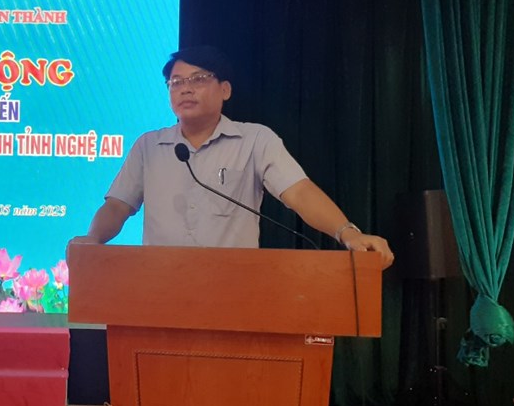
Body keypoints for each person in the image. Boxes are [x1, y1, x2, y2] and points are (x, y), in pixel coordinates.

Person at [70, 46, 394, 267]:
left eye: (198, 79)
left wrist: (348, 233)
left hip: (234, 289)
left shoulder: (255, 140)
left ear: (225, 90)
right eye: (176, 83)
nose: (185, 89)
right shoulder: (148, 146)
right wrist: (93, 239)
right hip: (161, 286)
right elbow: (118, 205)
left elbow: (298, 192)